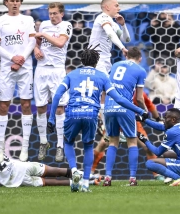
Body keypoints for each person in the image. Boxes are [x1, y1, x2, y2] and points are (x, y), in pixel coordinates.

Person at [48, 46, 147, 192]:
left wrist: (51, 118)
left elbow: (57, 96)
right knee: (89, 146)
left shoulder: (72, 74)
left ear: (81, 59)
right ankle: (86, 183)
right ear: (97, 61)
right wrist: (139, 110)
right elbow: (119, 98)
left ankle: (74, 169)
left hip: (74, 113)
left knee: (68, 142)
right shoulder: (102, 76)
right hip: (91, 114)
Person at [0, 0, 36, 163]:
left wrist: (22, 59)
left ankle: (24, 149)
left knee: (26, 105)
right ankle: (1, 148)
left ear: (21, 3)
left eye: (17, 1)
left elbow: (32, 41)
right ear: (6, 3)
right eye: (12, 1)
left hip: (25, 67)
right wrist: (12, 58)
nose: (15, 3)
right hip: (7, 67)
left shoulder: (28, 19)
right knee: (3, 106)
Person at [91, 92, 164, 181]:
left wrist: (158, 119)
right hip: (116, 122)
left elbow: (150, 105)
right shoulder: (113, 90)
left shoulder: (139, 94)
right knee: (102, 144)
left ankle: (157, 174)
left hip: (133, 123)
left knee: (147, 147)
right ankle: (90, 172)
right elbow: (102, 105)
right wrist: (102, 122)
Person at [33, 3, 73, 162]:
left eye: (55, 13)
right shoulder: (44, 24)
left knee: (59, 108)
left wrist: (41, 34)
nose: (52, 16)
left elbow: (60, 43)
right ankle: (43, 142)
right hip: (41, 69)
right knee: (41, 107)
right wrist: (36, 48)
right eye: (50, 13)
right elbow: (38, 41)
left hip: (57, 70)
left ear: (62, 14)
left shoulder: (66, 25)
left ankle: (60, 146)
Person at [103, 47, 147, 187]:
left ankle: (107, 177)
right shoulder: (140, 70)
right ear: (140, 58)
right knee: (132, 142)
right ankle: (132, 178)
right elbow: (139, 98)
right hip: (125, 107)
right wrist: (144, 112)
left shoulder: (115, 65)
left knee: (112, 142)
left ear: (127, 56)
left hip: (109, 106)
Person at [88, 0, 131, 135]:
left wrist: (123, 25)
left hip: (106, 59)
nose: (118, 8)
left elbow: (127, 38)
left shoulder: (114, 23)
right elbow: (110, 34)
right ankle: (102, 123)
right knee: (105, 89)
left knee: (105, 91)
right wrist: (123, 48)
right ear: (107, 7)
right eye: (116, 5)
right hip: (96, 57)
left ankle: (103, 121)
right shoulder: (102, 18)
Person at [0, 139, 73, 188]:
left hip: (18, 179)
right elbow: (1, 164)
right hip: (22, 165)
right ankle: (86, 177)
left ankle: (75, 183)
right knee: (55, 170)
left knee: (48, 182)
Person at [137, 108, 180, 186]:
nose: (164, 120)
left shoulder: (172, 132)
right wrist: (144, 120)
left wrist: (145, 140)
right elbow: (161, 127)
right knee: (167, 154)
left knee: (149, 163)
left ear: (173, 119)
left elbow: (157, 152)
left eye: (166, 118)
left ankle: (178, 178)